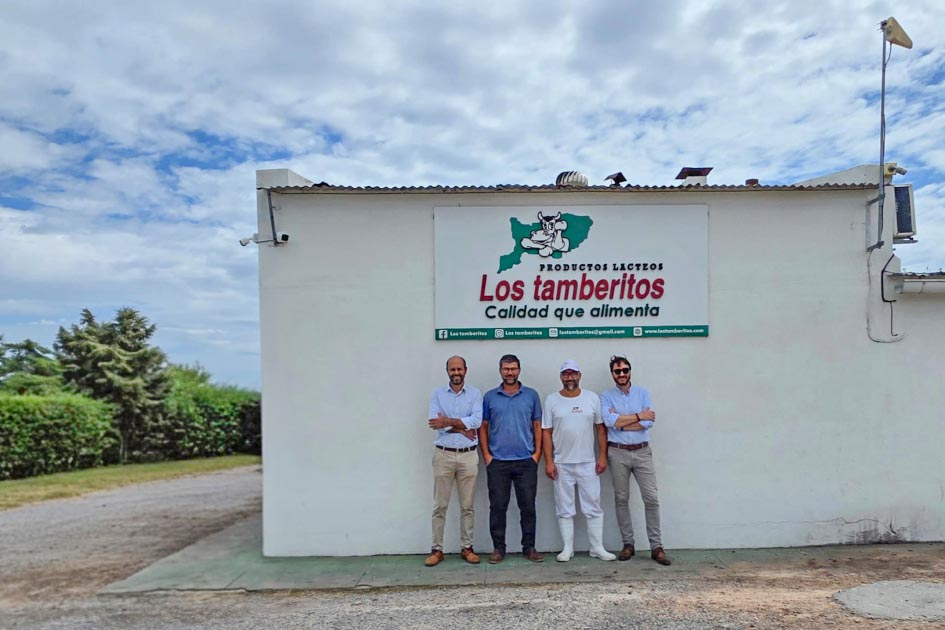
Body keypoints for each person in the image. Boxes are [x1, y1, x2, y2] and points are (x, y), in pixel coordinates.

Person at [541, 360, 616, 562]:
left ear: (580, 375)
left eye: (573, 374)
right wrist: (549, 461)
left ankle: (597, 547)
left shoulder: (592, 398)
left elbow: (601, 429)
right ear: (560, 377)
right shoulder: (551, 400)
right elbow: (546, 433)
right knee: (564, 507)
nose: (570, 378)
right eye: (565, 374)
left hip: (588, 463)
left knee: (593, 505)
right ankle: (567, 549)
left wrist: (602, 456)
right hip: (562, 464)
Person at [600, 355, 671, 565]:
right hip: (617, 452)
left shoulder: (643, 393)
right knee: (621, 499)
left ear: (630, 371)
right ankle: (628, 544)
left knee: (651, 498)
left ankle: (656, 546)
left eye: (625, 370)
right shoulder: (606, 396)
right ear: (612, 374)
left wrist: (622, 422)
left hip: (642, 452)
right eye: (617, 371)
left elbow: (648, 423)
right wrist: (639, 416)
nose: (621, 374)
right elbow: (609, 421)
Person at [480, 354, 544, 564]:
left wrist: (536, 455)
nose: (510, 372)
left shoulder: (531, 395)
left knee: (528, 506)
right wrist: (487, 456)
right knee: (498, 506)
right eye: (506, 369)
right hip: (498, 462)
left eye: (513, 369)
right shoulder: (490, 397)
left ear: (519, 370)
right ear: (500, 371)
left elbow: (537, 426)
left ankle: (529, 547)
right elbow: (483, 427)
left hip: (526, 460)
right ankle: (498, 548)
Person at [424, 356, 483, 567]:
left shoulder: (475, 394)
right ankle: (436, 549)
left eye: (459, 369)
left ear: (466, 370)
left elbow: (476, 421)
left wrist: (447, 421)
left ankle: (467, 547)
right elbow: (435, 424)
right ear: (447, 371)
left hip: (468, 455)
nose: (456, 373)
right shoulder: (437, 394)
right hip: (444, 455)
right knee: (440, 505)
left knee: (467, 506)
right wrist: (461, 426)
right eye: (452, 369)